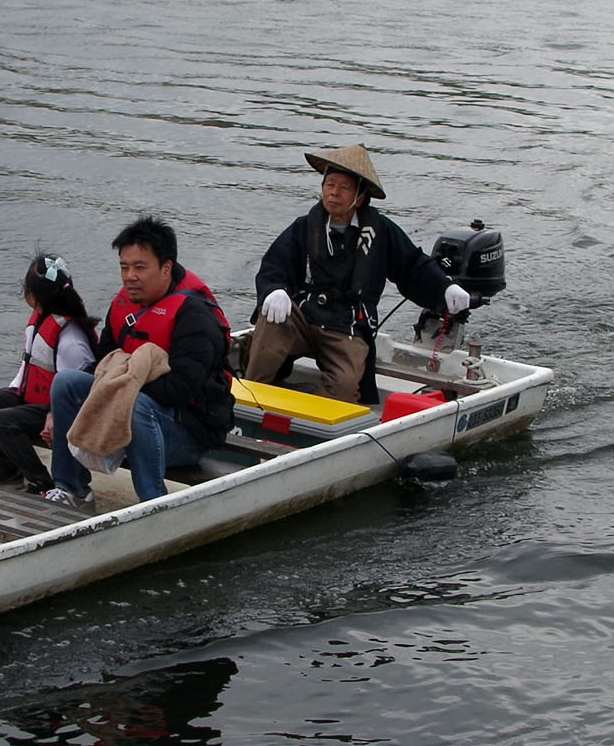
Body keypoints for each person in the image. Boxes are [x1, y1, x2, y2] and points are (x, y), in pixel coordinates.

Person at [248, 145, 471, 405]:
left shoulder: (381, 231)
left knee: (343, 389)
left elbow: (413, 265)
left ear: (361, 196)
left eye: (344, 187)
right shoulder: (304, 227)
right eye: (329, 184)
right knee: (271, 317)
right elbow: (275, 265)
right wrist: (274, 289)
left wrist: (445, 288)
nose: (334, 192)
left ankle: (312, 416)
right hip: (305, 316)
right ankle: (250, 397)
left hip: (348, 325)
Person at [44, 217, 235, 506]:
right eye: (124, 266)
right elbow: (101, 362)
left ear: (166, 268)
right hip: (130, 416)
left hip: (189, 433)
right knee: (67, 383)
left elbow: (180, 389)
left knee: (137, 404)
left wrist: (123, 387)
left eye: (140, 267)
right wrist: (116, 389)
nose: (129, 276)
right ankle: (72, 489)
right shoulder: (123, 304)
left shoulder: (195, 316)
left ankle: (153, 503)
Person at [0, 254, 98, 492]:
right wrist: (10, 393)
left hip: (61, 411)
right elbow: (27, 368)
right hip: (33, 400)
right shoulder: (40, 322)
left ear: (33, 296)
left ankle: (42, 481)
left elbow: (75, 391)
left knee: (3, 422)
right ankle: (6, 471)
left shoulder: (70, 338)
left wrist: (52, 415)